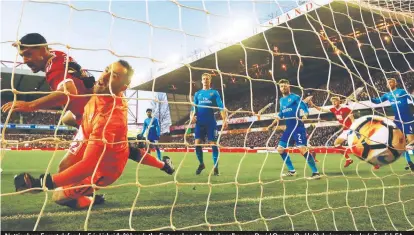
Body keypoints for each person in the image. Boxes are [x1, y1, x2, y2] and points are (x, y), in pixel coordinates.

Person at [14, 60, 174, 210]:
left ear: (122, 87)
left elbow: (88, 165)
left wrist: (42, 182)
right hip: (95, 130)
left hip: (104, 169)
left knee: (58, 196)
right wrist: (85, 77)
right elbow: (98, 86)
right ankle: (164, 165)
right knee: (67, 139)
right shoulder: (109, 91)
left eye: (114, 76)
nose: (103, 77)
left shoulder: (109, 120)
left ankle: (91, 199)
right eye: (106, 70)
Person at [1, 33, 170, 173]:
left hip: (94, 114)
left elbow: (68, 92)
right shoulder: (58, 54)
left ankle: (86, 194)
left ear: (44, 49)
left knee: (65, 168)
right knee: (71, 121)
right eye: (22, 55)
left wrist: (30, 105)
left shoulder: (53, 68)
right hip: (98, 106)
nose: (24, 60)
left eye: (29, 54)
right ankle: (163, 165)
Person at [267, 79, 320, 179]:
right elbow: (280, 114)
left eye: (285, 85)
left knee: (302, 149)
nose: (283, 87)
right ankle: (292, 170)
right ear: (279, 88)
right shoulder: (281, 100)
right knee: (280, 149)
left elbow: (304, 108)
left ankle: (316, 172)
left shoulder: (295, 97)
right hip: (288, 129)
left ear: (289, 86)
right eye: (281, 86)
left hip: (298, 128)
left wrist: (305, 115)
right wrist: (272, 124)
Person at [369, 78, 414, 171]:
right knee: (401, 143)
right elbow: (377, 101)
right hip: (397, 121)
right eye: (387, 83)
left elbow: (411, 98)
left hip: (408, 119)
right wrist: (369, 96)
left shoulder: (401, 91)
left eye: (391, 82)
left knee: (411, 142)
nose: (389, 84)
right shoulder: (387, 95)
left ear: (395, 83)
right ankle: (410, 163)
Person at [191, 73, 227, 176]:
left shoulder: (214, 93)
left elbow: (221, 106)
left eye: (207, 79)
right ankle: (201, 164)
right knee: (197, 144)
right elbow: (193, 108)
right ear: (201, 81)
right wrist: (191, 116)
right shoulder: (197, 94)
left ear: (210, 81)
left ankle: (215, 168)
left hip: (211, 123)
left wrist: (224, 119)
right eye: (203, 79)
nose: (205, 80)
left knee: (214, 145)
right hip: (199, 123)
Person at [307, 96, 354, 168]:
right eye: (332, 102)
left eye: (335, 101)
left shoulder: (345, 108)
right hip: (345, 130)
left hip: (351, 129)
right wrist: (313, 105)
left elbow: (352, 117)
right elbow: (322, 110)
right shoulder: (333, 109)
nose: (334, 103)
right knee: (336, 144)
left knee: (358, 147)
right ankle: (348, 159)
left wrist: (354, 128)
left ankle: (375, 162)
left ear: (339, 101)